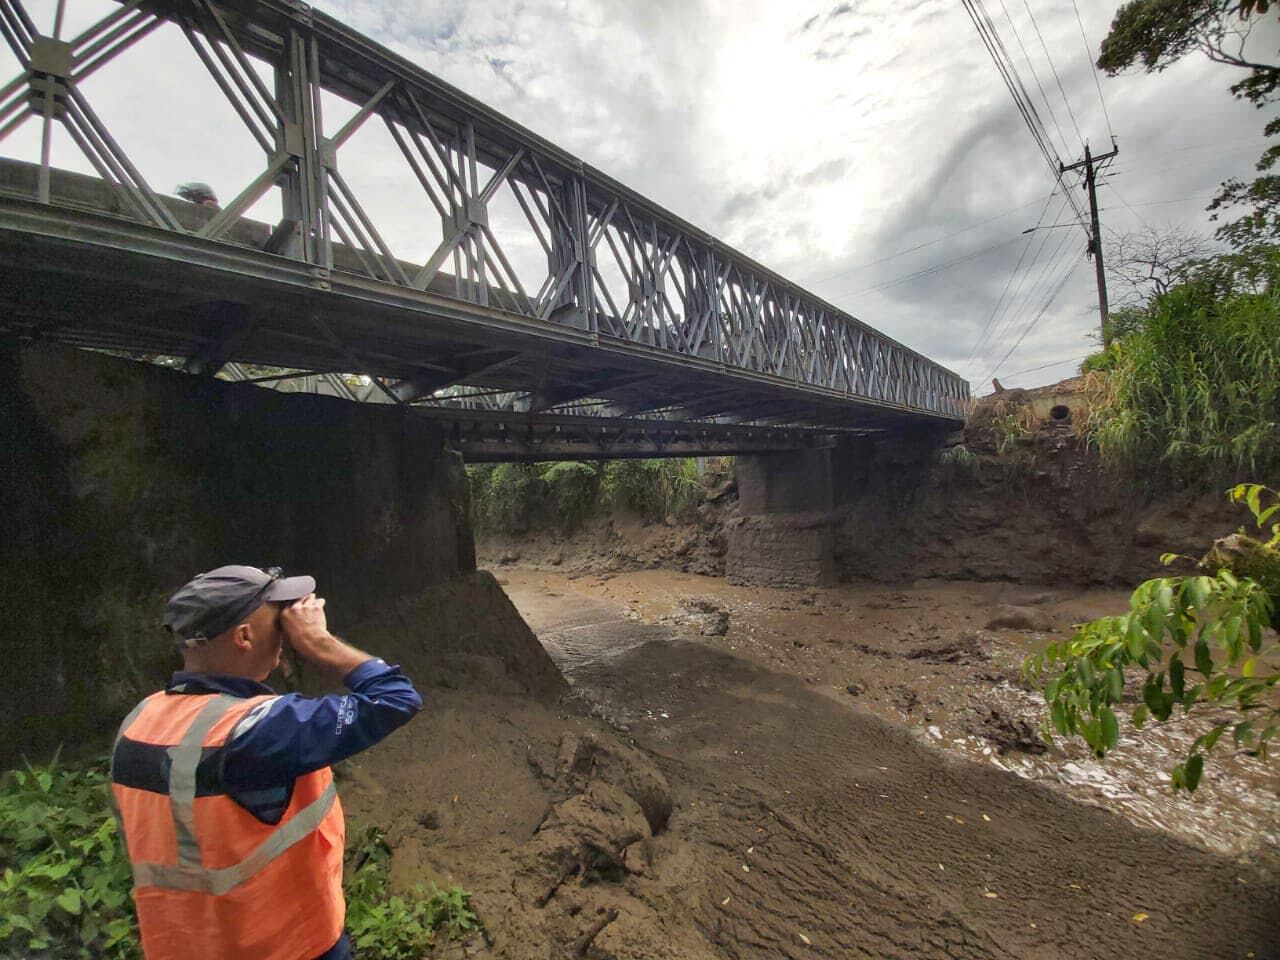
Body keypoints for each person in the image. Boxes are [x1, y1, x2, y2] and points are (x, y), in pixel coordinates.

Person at [109, 565, 423, 960]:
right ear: (244, 635)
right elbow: (394, 698)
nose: (286, 624)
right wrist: (317, 640)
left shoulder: (139, 722)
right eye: (278, 615)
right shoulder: (258, 730)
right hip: (286, 944)